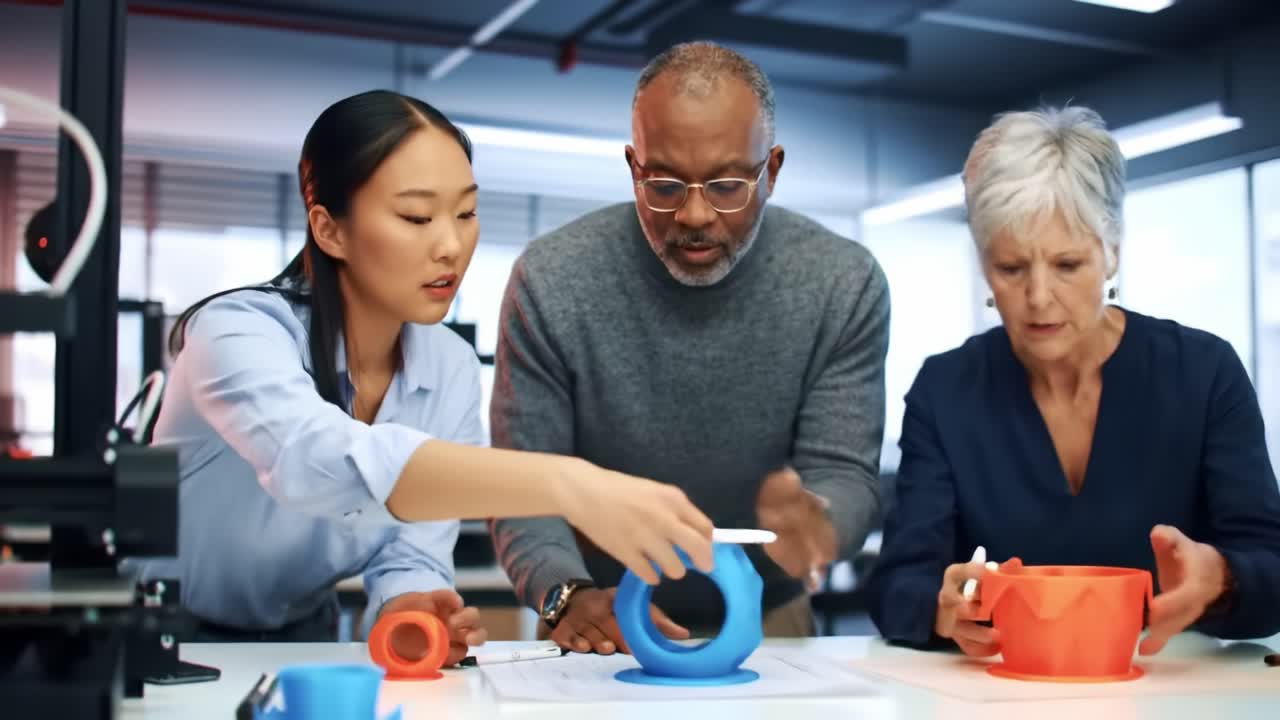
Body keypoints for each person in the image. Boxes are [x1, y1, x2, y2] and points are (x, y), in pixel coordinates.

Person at [132, 90, 714, 663]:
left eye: (466, 213)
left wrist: (409, 607)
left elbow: (410, 549)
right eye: (416, 217)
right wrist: (572, 485)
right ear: (329, 230)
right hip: (156, 634)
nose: (451, 245)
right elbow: (315, 462)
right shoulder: (235, 332)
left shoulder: (449, 365)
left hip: (303, 637)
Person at [489, 42, 890, 653]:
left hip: (766, 617)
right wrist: (564, 593)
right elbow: (524, 483)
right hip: (597, 617)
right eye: (665, 184)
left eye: (727, 185)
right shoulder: (550, 281)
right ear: (633, 167)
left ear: (772, 169)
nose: (696, 214)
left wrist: (820, 520)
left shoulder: (843, 283)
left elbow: (844, 474)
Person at [866, 106, 1280, 656]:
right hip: (1002, 690)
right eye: (1011, 268)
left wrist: (1223, 578)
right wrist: (941, 609)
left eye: (1067, 265)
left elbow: (1270, 568)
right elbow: (897, 585)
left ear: (1112, 254)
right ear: (985, 267)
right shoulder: (946, 389)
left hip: (1168, 686)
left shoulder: (1205, 373)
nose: (1039, 298)